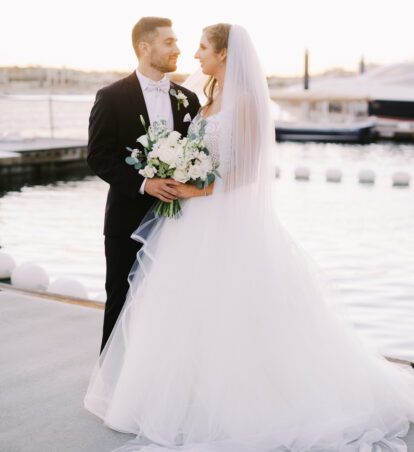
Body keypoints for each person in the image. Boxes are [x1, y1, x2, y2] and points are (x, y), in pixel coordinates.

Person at [84, 24, 414, 451]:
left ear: (224, 54)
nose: (191, 52)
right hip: (177, 220)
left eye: (201, 46)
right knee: (167, 307)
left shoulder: (217, 101)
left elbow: (246, 172)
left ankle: (237, 400)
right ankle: (148, 388)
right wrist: (165, 182)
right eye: (178, 43)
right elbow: (104, 154)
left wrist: (193, 188)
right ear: (145, 47)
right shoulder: (199, 100)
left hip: (220, 219)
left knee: (230, 310)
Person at [87, 17, 200, 353]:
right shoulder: (111, 97)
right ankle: (109, 385)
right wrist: (143, 184)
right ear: (144, 47)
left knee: (171, 302)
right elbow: (98, 156)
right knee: (120, 301)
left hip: (178, 223)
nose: (177, 49)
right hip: (126, 221)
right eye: (169, 42)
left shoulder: (188, 99)